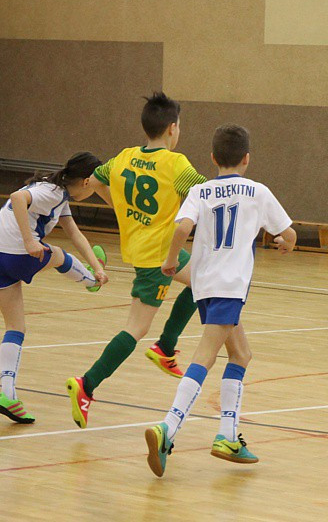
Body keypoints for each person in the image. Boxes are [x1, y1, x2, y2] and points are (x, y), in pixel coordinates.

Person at [144, 123, 296, 477]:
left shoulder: (200, 190)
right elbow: (287, 233)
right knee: (204, 356)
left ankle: (227, 435)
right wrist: (286, 243)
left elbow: (182, 228)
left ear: (213, 158)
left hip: (204, 284)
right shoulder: (257, 191)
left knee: (241, 354)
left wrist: (170, 261)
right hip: (231, 285)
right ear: (247, 159)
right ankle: (167, 428)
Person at [65, 92, 207, 428]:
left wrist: (120, 206)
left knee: (204, 279)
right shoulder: (176, 164)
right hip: (158, 256)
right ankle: (86, 385)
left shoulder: (124, 157)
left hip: (143, 246)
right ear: (172, 129)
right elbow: (207, 194)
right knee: (135, 328)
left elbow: (94, 181)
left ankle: (166, 347)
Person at [0, 152, 109, 423]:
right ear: (87, 181)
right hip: (16, 253)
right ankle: (90, 283)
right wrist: (29, 241)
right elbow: (17, 198)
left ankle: (8, 395)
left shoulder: (58, 194)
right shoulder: (51, 192)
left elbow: (75, 232)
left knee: (15, 328)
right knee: (58, 255)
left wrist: (97, 265)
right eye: (98, 185)